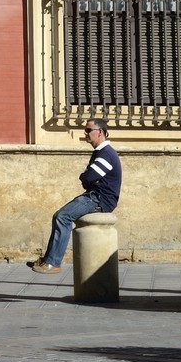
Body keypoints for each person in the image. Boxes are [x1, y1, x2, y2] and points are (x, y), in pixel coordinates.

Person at [29, 115, 122, 273]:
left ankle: (52, 262)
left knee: (62, 216)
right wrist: (88, 178)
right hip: (94, 195)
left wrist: (87, 178)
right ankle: (48, 260)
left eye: (88, 130)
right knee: (61, 215)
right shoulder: (101, 152)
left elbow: (88, 177)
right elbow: (89, 178)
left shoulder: (106, 154)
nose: (85, 133)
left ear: (99, 132)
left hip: (99, 199)